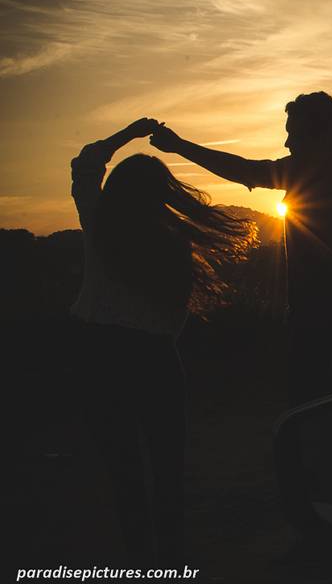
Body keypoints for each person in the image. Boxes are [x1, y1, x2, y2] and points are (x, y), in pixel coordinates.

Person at [70, 118, 254, 565]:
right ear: (163, 196)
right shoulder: (174, 245)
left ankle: (138, 559)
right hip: (156, 359)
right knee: (167, 471)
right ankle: (170, 560)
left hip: (98, 355)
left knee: (123, 471)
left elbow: (85, 164)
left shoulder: (99, 223)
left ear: (116, 190)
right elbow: (175, 320)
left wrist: (127, 133)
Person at [148, 92, 332, 404]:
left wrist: (179, 146)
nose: (287, 144)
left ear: (322, 137)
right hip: (317, 326)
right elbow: (246, 171)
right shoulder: (319, 177)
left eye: (294, 135)